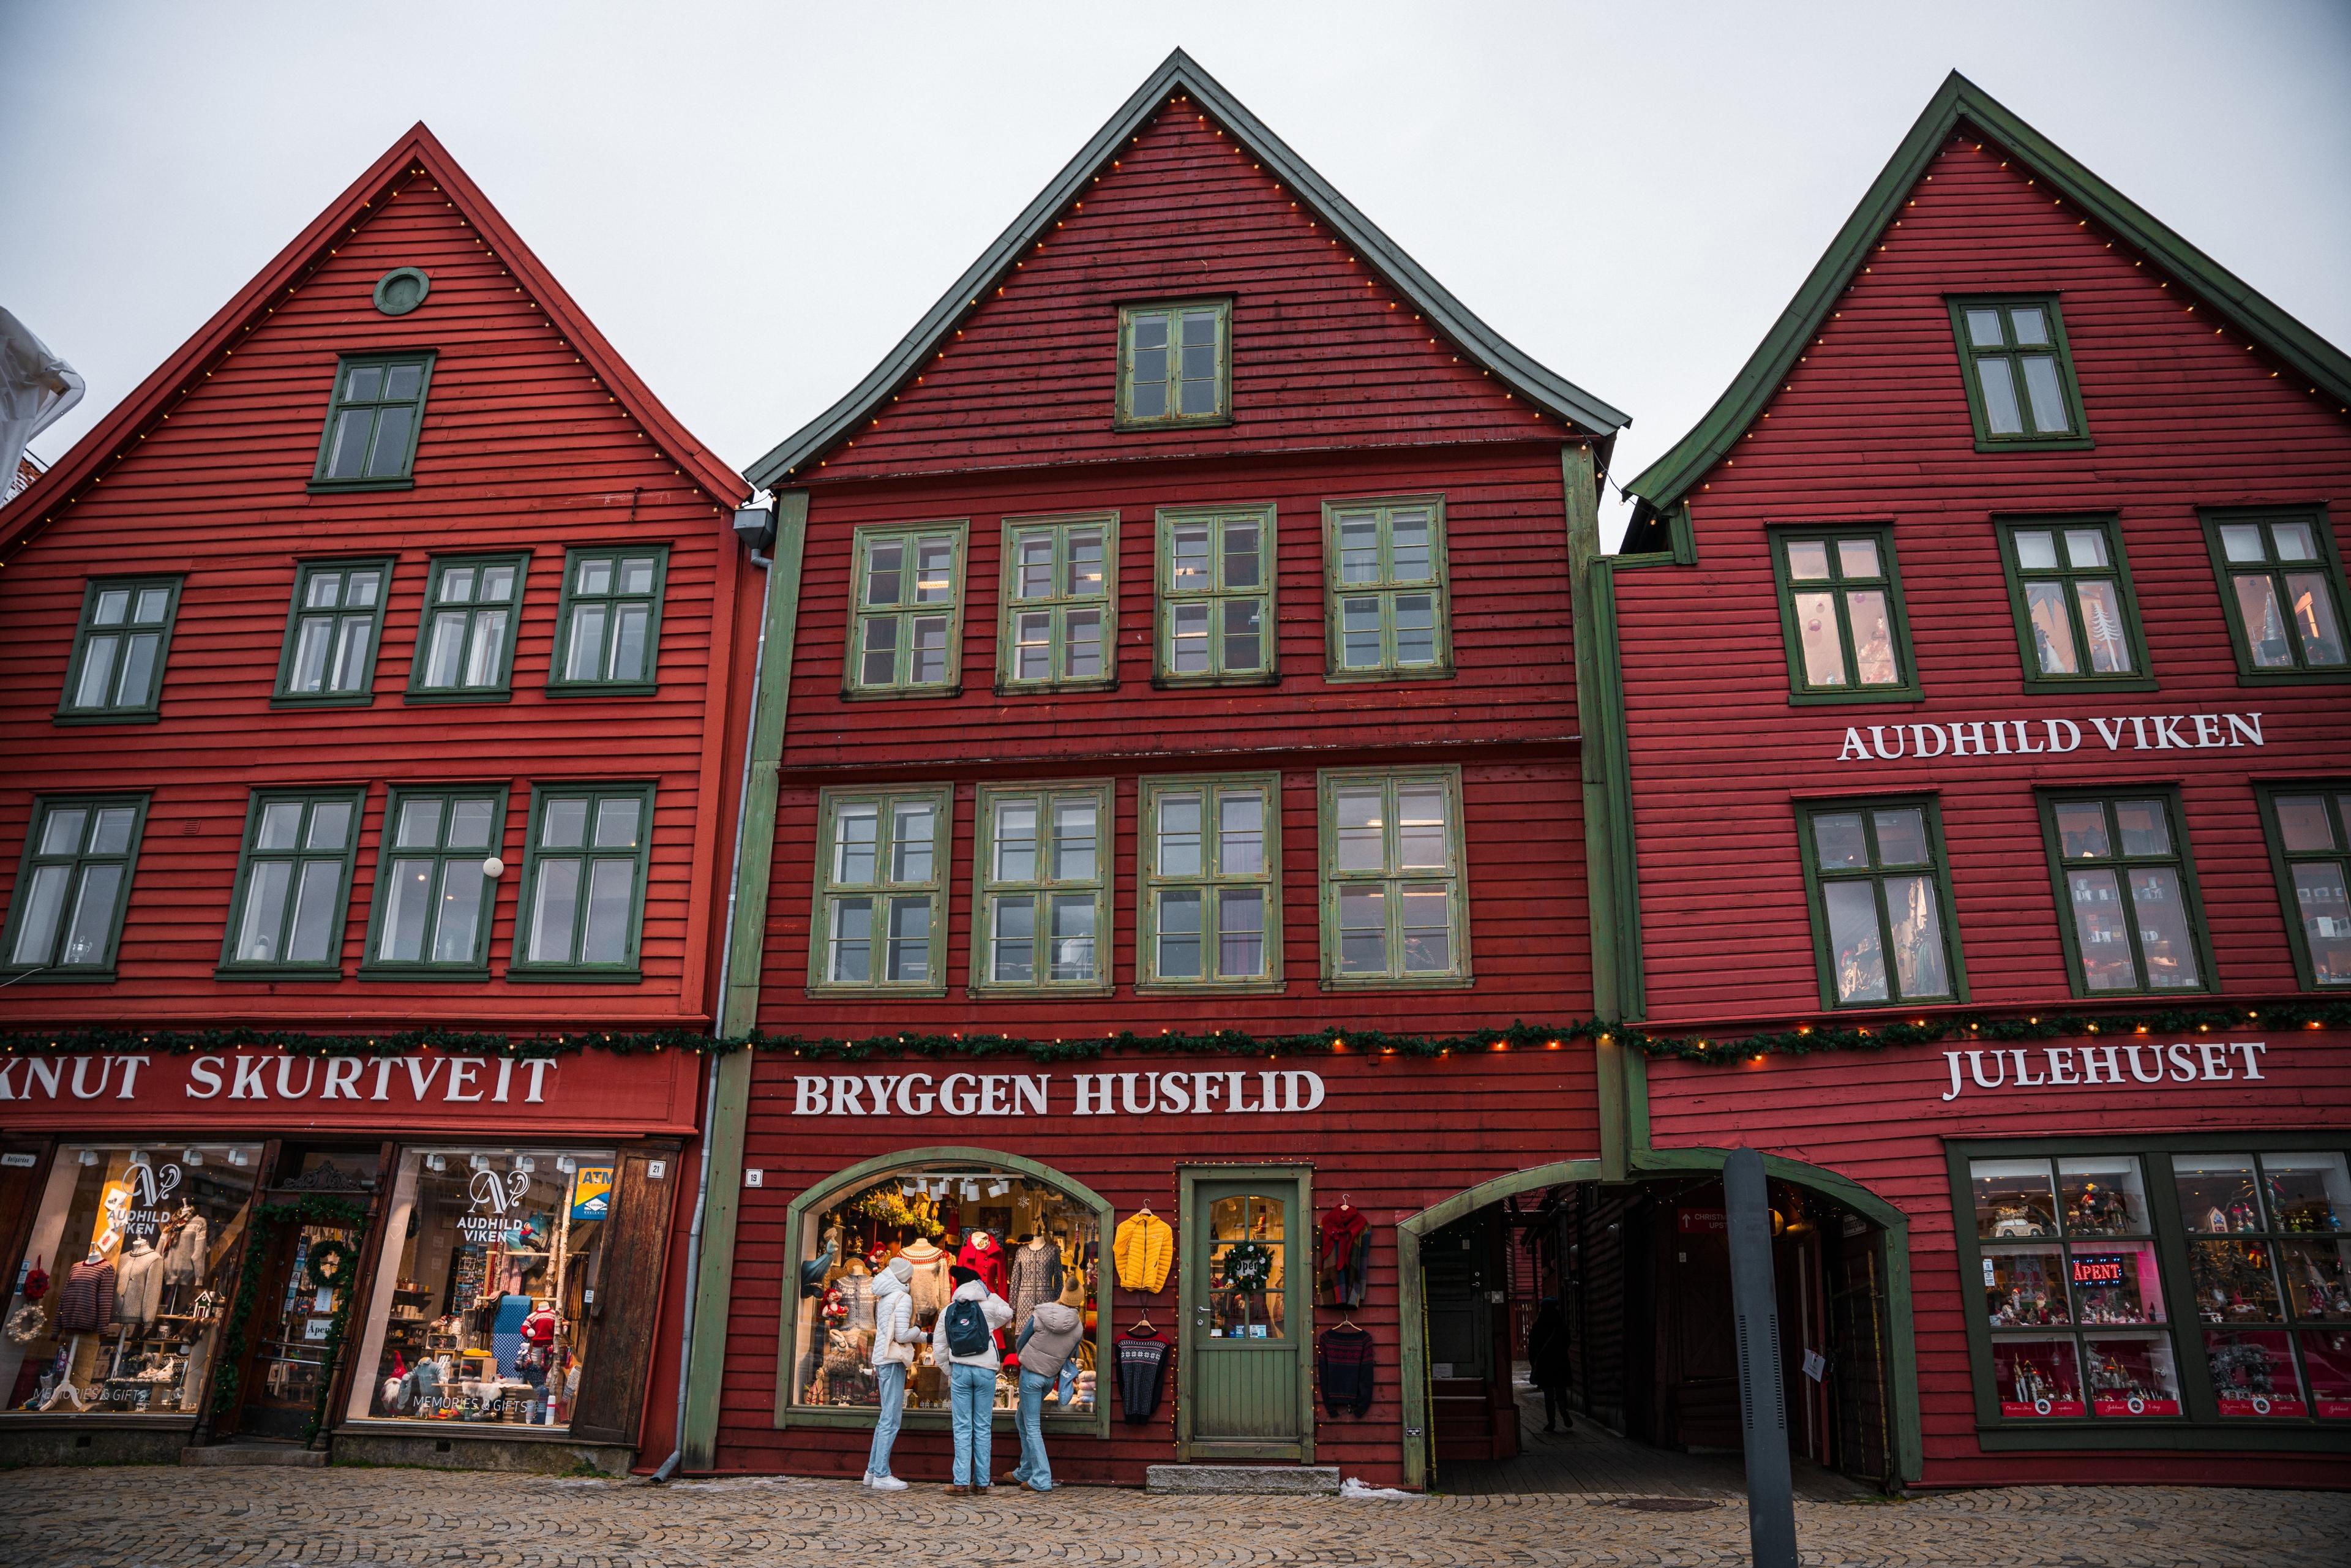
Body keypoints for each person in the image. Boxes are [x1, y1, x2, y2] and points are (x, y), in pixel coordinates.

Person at [932, 1262, 1013, 1494]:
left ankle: (960, 1481)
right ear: (978, 1285)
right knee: (983, 1426)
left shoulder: (948, 1311)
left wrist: (952, 1371)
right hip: (986, 1370)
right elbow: (1008, 1312)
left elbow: (939, 1347)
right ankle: (982, 1482)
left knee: (962, 1426)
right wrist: (989, 1294)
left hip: (960, 1370)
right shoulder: (988, 1306)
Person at [863, 1256, 928, 1490]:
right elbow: (901, 1335)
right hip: (893, 1360)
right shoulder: (904, 1297)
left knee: (885, 1418)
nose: (912, 1278)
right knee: (891, 1419)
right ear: (904, 1277)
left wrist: (922, 1336)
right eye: (910, 1275)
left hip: (883, 1358)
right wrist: (920, 1331)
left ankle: (872, 1471)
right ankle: (881, 1474)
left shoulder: (886, 1296)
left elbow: (891, 1331)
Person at [1002, 1299, 1082, 1492]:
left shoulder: (1040, 1314)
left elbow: (1021, 1340)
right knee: (1021, 1419)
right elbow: (1072, 1353)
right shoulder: (1078, 1327)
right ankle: (1025, 1470)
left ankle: (1042, 1478)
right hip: (1049, 1378)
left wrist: (1025, 1357)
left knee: (1032, 1426)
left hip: (1031, 1375)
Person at [1526, 1297, 1573, 1433]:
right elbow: (1567, 1342)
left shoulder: (1538, 1326)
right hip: (1560, 1363)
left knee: (1548, 1394)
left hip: (1544, 1365)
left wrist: (1534, 1363)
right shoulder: (1560, 1325)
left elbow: (1532, 1348)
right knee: (1560, 1392)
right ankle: (1564, 1413)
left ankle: (1551, 1422)